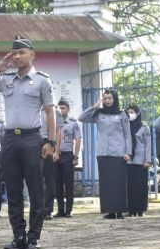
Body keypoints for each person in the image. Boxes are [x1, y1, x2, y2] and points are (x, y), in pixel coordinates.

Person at [0, 35, 55, 249]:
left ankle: (34, 237)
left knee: (35, 189)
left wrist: (51, 141)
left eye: (22, 52)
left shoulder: (42, 80)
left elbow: (50, 112)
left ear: (32, 54)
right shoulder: (6, 80)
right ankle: (18, 236)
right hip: (10, 139)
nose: (18, 56)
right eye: (14, 53)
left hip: (32, 139)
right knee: (12, 190)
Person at [79, 88, 131, 219]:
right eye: (105, 98)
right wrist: (94, 106)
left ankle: (119, 210)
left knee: (118, 183)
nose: (107, 101)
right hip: (103, 153)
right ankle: (110, 211)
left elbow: (127, 134)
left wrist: (128, 152)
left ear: (114, 99)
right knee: (107, 183)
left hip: (118, 153)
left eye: (110, 98)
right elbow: (81, 118)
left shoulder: (122, 114)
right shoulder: (98, 114)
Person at [53, 97, 81, 218]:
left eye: (63, 108)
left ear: (68, 109)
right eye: (58, 108)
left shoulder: (73, 123)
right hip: (56, 156)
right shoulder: (53, 122)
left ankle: (69, 210)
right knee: (57, 184)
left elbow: (78, 139)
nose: (60, 110)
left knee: (69, 184)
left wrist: (75, 156)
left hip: (68, 155)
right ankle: (60, 210)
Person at [125, 104, 151, 217]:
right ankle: (130, 210)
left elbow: (148, 145)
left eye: (132, 112)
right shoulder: (125, 127)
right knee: (129, 187)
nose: (130, 114)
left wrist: (148, 160)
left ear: (137, 113)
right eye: (128, 112)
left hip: (141, 162)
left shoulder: (144, 127)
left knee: (140, 187)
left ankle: (140, 210)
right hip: (129, 161)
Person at [41, 105, 63, 220]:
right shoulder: (33, 106)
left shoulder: (55, 110)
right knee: (36, 178)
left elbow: (59, 131)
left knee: (49, 179)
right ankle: (38, 208)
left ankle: (48, 209)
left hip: (48, 142)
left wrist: (57, 150)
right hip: (34, 143)